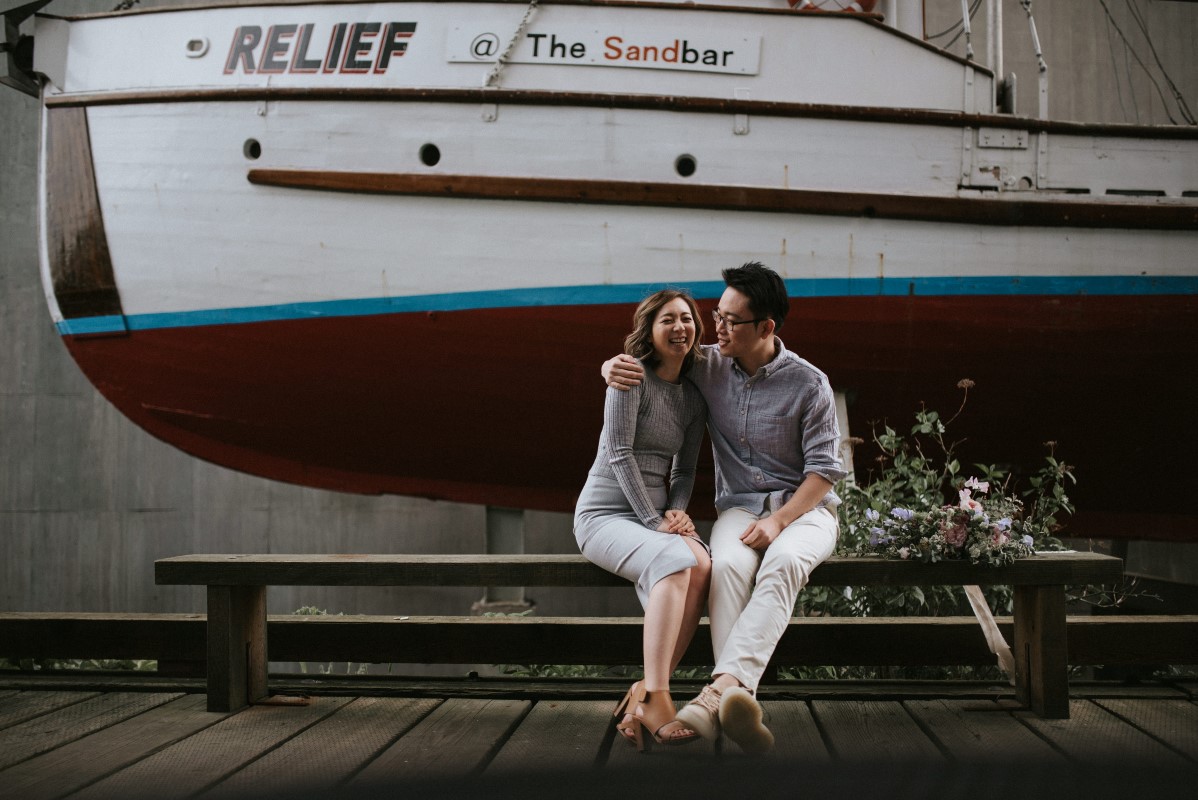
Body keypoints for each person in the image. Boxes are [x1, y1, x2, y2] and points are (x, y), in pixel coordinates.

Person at [602, 262, 845, 755]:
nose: (718, 328)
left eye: (732, 321)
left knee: (783, 562)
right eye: (718, 315)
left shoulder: (810, 383)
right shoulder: (708, 365)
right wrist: (609, 368)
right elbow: (653, 358)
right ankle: (734, 703)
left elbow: (824, 471)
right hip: (738, 507)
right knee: (729, 566)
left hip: (805, 511)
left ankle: (718, 698)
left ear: (767, 327)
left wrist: (779, 520)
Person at [575, 288, 711, 752]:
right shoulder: (629, 378)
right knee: (676, 559)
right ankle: (659, 699)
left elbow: (686, 468)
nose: (680, 327)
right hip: (606, 514)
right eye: (668, 320)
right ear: (649, 332)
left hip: (652, 516)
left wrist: (676, 509)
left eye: (687, 319)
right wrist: (654, 520)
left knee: (703, 564)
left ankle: (644, 693)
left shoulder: (693, 398)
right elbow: (618, 452)